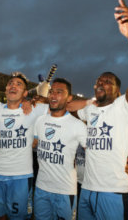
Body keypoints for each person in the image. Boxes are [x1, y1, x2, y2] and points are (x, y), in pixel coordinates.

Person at [67, 0, 128, 220]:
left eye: (106, 81)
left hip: (113, 193)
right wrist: (87, 103)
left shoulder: (124, 106)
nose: (100, 83)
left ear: (118, 89)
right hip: (86, 189)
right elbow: (70, 107)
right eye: (98, 81)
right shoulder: (91, 109)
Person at [0, 72, 49, 220]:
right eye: (11, 83)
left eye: (18, 84)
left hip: (21, 176)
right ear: (6, 89)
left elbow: (57, 105)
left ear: (25, 93)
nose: (13, 85)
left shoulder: (34, 109)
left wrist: (40, 98)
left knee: (18, 217)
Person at [33, 78, 87, 220]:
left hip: (65, 190)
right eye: (51, 91)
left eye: (59, 92)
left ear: (69, 98)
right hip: (41, 187)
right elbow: (32, 144)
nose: (53, 95)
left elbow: (93, 152)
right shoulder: (40, 120)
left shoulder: (78, 125)